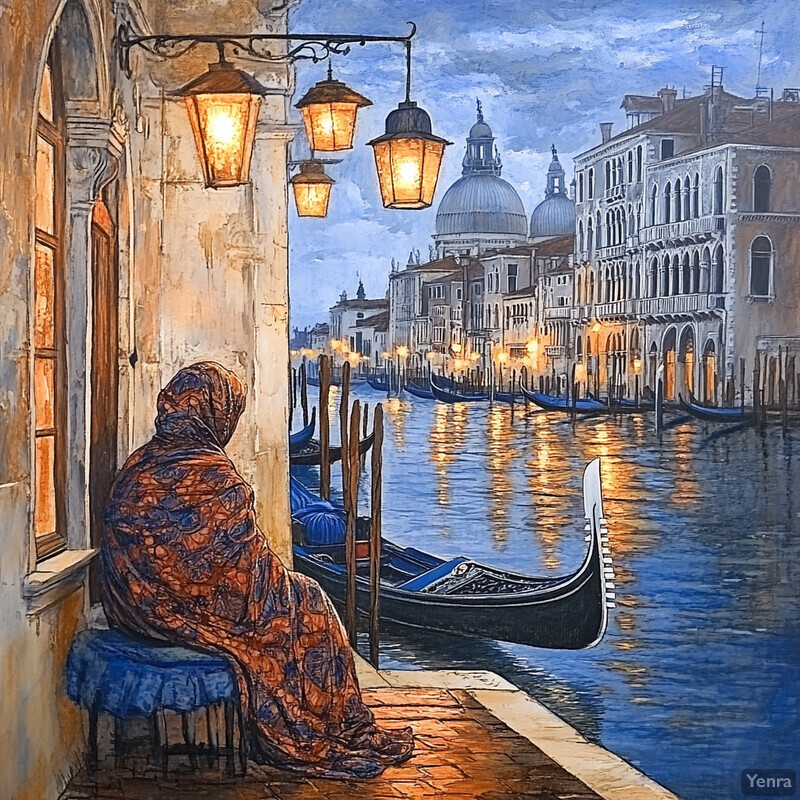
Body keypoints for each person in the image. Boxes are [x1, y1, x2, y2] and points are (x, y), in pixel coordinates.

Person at [101, 361, 413, 778]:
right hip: (181, 613)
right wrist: (292, 591)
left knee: (298, 597)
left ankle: (333, 720)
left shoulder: (140, 464)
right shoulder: (215, 476)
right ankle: (332, 723)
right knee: (309, 602)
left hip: (131, 607)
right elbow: (248, 569)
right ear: (216, 412)